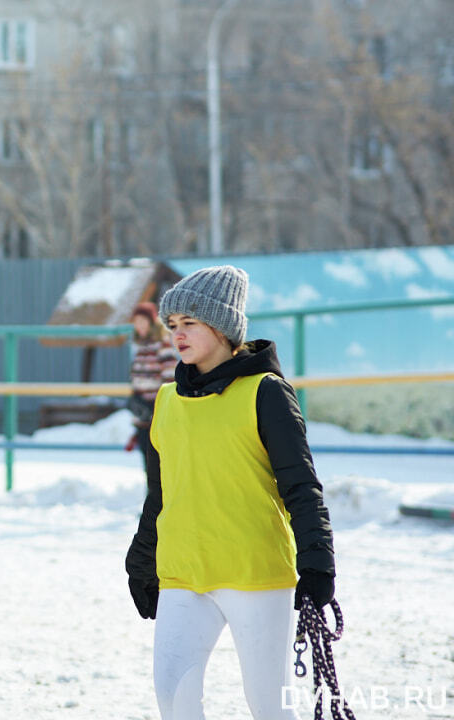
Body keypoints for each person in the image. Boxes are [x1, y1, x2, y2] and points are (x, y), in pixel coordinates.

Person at [124, 265, 337, 720]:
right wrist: (143, 559)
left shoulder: (265, 392)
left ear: (222, 328)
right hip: (183, 573)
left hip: (253, 573)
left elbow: (300, 483)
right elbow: (160, 495)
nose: (177, 335)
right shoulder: (167, 401)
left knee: (269, 706)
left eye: (190, 324)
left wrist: (317, 558)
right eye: (172, 326)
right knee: (173, 698)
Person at [126, 301, 176, 478]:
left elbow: (170, 379)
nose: (138, 326)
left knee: (158, 467)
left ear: (152, 322)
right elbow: (137, 379)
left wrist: (157, 408)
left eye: (142, 321)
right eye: (136, 322)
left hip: (156, 415)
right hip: (141, 416)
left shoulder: (162, 345)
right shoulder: (140, 348)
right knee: (148, 467)